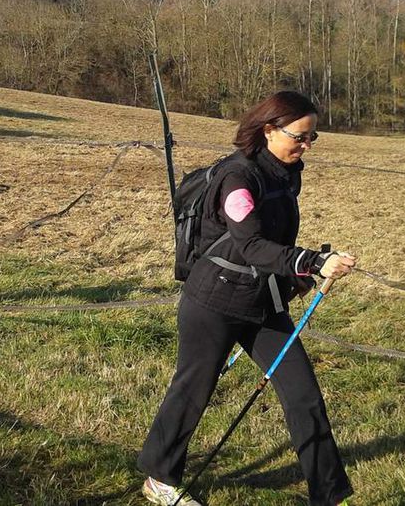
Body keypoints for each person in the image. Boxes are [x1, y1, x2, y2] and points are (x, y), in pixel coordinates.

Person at [138, 91, 355, 506]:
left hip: (263, 304)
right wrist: (311, 261)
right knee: (193, 390)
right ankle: (160, 478)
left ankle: (327, 495)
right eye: (301, 137)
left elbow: (271, 242)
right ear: (269, 129)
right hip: (213, 303)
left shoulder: (286, 173)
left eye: (313, 138)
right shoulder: (237, 177)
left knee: (304, 396)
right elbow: (251, 244)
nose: (307, 146)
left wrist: (299, 275)